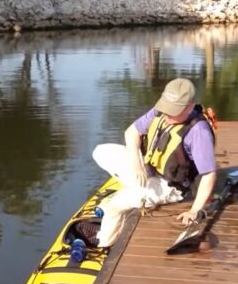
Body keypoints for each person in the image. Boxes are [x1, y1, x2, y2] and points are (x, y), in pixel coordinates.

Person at [92, 77, 217, 247]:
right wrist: (137, 166)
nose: (166, 114)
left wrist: (195, 210)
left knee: (114, 206)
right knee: (101, 151)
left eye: (172, 110)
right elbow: (131, 132)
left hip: (170, 186)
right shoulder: (161, 111)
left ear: (189, 107)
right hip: (150, 168)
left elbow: (209, 174)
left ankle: (104, 243)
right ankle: (136, 188)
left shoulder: (199, 132)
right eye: (165, 107)